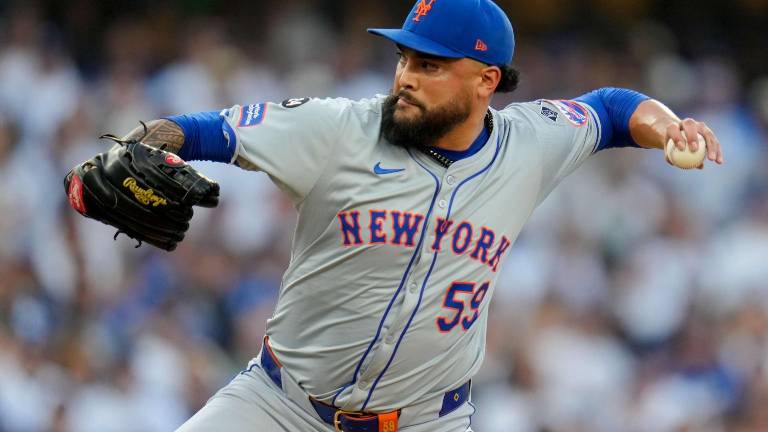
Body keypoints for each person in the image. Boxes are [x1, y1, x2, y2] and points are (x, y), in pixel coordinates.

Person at [115, 0, 723, 431]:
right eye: (404, 58)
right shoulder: (339, 129)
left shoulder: (529, 143)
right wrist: (137, 145)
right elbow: (205, 130)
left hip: (426, 422)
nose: (405, 78)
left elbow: (611, 109)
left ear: (486, 80)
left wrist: (669, 127)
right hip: (280, 408)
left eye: (430, 65)